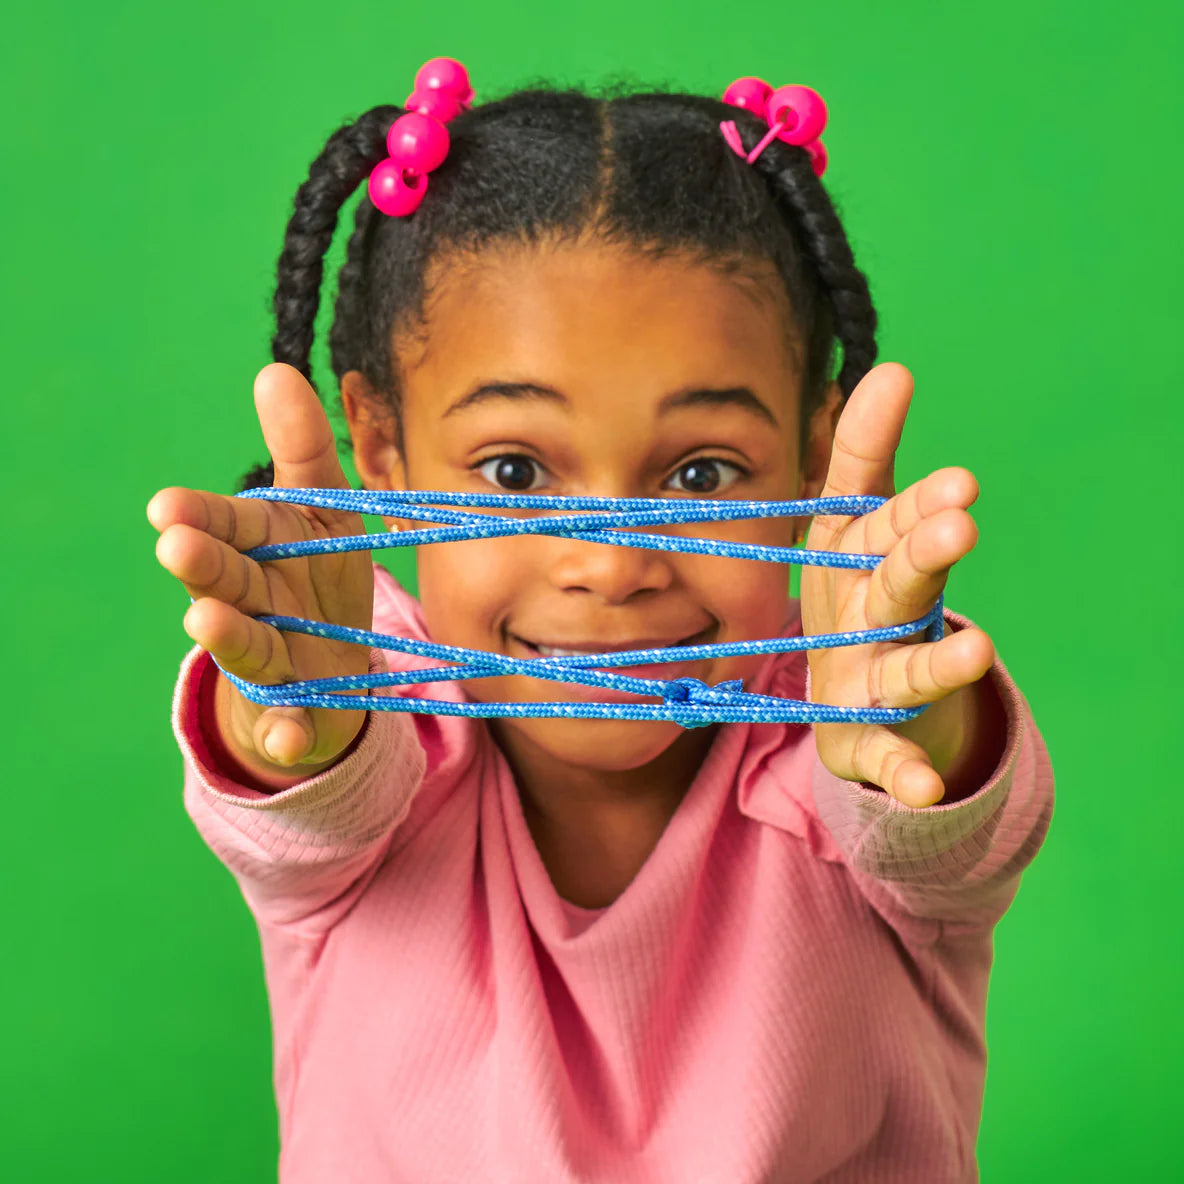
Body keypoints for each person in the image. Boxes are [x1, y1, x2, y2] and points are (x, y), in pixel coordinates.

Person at [147, 60, 1055, 1183]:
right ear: (380, 447)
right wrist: (290, 712)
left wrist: (915, 717)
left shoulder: (839, 734)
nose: (612, 566)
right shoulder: (380, 722)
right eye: (515, 471)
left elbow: (937, 820)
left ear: (814, 456)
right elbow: (305, 801)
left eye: (701, 473)